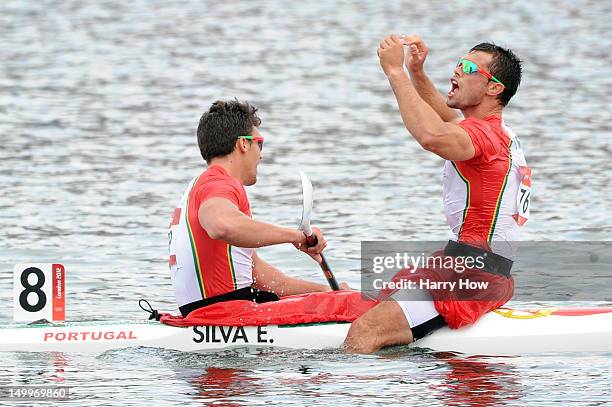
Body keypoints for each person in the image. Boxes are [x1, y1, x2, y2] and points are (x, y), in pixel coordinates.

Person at [344, 35, 529, 353]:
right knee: (371, 303)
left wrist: (396, 72)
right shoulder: (498, 132)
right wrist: (417, 73)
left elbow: (431, 135)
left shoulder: (484, 137)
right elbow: (444, 118)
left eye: (468, 67)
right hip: (472, 267)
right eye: (458, 63)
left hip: (472, 277)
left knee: (365, 331)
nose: (457, 71)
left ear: (494, 88)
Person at [168, 99, 344, 317]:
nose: (260, 154)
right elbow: (220, 225)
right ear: (244, 144)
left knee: (344, 299)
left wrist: (326, 292)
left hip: (209, 313)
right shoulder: (220, 184)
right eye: (259, 144)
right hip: (226, 314)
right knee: (382, 308)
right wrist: (295, 236)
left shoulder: (199, 185)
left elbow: (260, 279)